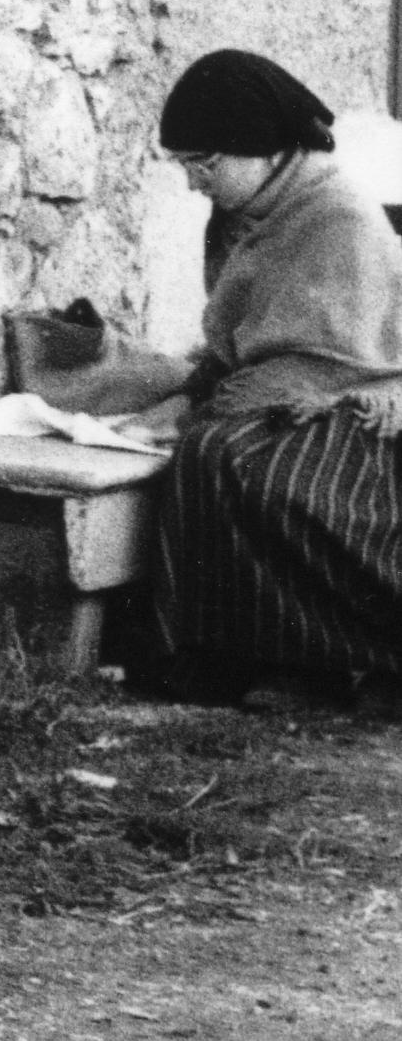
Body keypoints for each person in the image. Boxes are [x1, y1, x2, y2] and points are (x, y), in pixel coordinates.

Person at [130, 47, 402, 703]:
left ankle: (338, 659)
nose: (194, 182)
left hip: (359, 405)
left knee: (261, 468)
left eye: (205, 164)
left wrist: (204, 411)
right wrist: (182, 403)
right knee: (209, 451)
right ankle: (233, 656)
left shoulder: (336, 215)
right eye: (184, 165)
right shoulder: (249, 216)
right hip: (294, 393)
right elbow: (243, 347)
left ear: (265, 149)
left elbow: (328, 360)